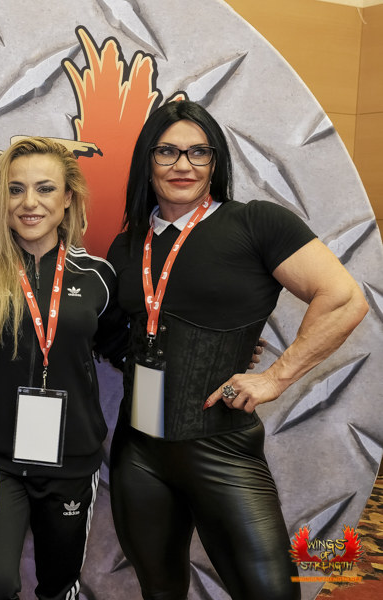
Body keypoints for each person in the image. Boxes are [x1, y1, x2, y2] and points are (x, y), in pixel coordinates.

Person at [106, 100, 368, 599]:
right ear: (147, 161)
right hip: (138, 452)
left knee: (271, 593)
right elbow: (120, 332)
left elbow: (344, 300)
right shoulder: (127, 245)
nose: (183, 165)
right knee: (159, 593)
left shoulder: (257, 223)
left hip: (222, 449)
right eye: (167, 152)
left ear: (216, 162)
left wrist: (275, 376)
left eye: (198, 152)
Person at [0, 137, 127, 599]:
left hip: (70, 460)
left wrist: (220, 352)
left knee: (58, 587)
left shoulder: (98, 277)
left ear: (68, 198)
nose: (29, 203)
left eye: (45, 188)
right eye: (15, 190)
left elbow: (125, 348)